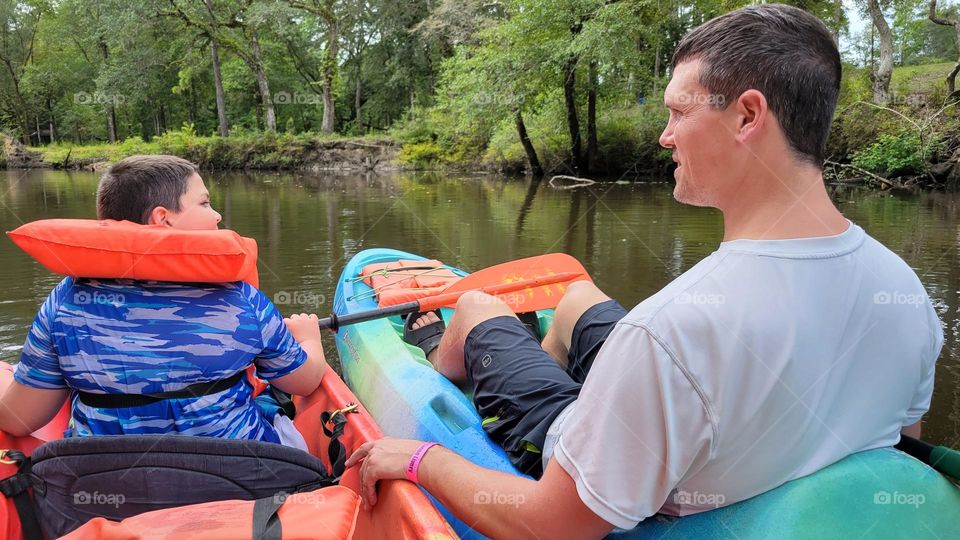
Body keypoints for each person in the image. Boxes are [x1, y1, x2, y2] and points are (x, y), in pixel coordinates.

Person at [346, 5, 944, 538]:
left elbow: (551, 527)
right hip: (696, 428)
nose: (665, 136)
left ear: (747, 117)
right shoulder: (907, 292)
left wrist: (420, 458)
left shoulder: (671, 330)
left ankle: (435, 350)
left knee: (477, 306)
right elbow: (900, 443)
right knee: (577, 295)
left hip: (585, 455)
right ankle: (558, 362)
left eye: (678, 112)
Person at [0, 155, 327, 448]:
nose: (217, 215)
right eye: (204, 204)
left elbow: (19, 419)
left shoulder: (65, 301)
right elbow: (303, 380)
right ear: (163, 218)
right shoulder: (242, 299)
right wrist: (309, 337)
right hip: (240, 484)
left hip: (106, 491)